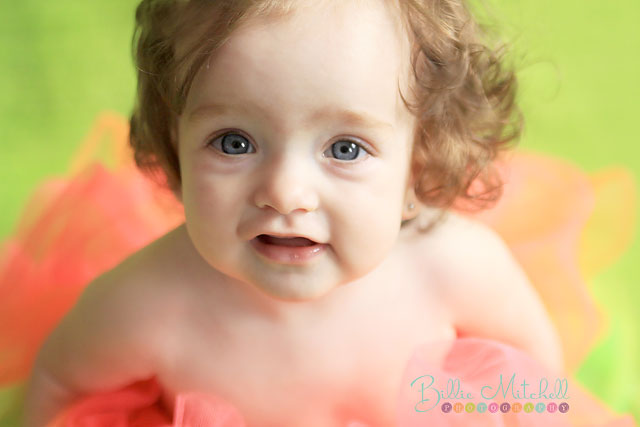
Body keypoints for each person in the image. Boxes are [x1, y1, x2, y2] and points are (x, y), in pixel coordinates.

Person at [13, 0, 634, 425]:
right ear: (173, 146)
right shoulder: (149, 302)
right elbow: (60, 383)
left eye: (345, 148)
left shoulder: (453, 268)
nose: (285, 192)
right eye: (234, 141)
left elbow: (533, 373)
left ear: (419, 163)